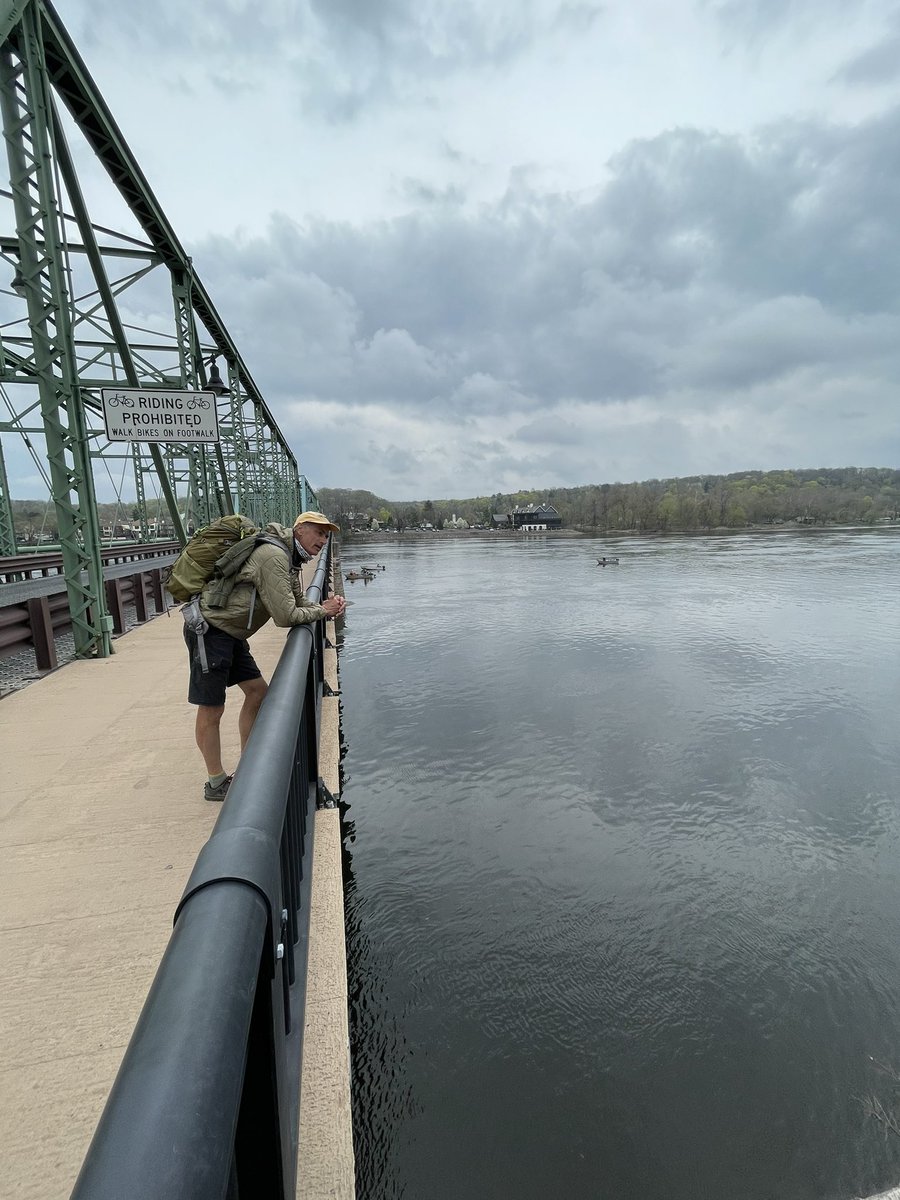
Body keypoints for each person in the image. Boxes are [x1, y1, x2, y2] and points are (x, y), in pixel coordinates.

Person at [183, 510, 346, 801]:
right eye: (318, 532)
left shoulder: (289, 557)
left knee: (258, 693)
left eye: (326, 534)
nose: (323, 540)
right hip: (209, 631)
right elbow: (285, 616)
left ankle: (247, 768)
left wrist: (322, 605)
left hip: (231, 634)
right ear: (299, 529)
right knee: (211, 709)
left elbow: (297, 602)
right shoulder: (273, 556)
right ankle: (216, 782)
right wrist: (324, 611)